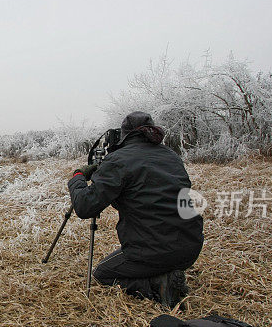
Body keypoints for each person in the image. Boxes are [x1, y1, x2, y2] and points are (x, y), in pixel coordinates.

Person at [68, 111, 204, 308]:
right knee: (157, 251)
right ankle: (167, 273)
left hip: (153, 251)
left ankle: (158, 285)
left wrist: (78, 178)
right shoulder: (171, 156)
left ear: (123, 135)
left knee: (103, 274)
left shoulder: (118, 160)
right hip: (190, 247)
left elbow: (85, 206)